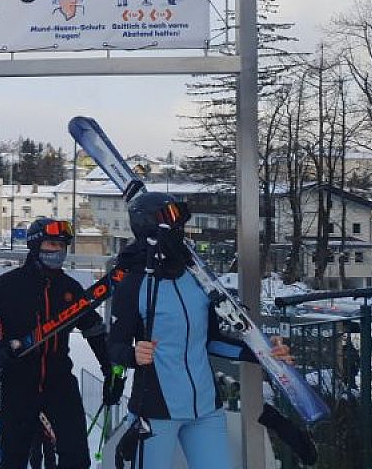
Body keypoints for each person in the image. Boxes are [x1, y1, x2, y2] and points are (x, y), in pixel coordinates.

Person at [109, 192, 293, 469]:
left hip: (206, 408)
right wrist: (134, 353)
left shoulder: (197, 278)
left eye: (179, 222)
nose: (178, 229)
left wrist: (264, 354)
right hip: (156, 410)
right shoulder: (132, 284)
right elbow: (115, 346)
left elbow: (212, 342)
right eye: (170, 221)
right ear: (148, 226)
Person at [0, 217, 121, 469]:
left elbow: (93, 329)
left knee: (76, 458)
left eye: (62, 246)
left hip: (59, 381)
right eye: (52, 244)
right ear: (35, 245)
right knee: (14, 459)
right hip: (18, 381)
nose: (58, 251)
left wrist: (108, 369)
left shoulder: (69, 288)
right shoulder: (10, 284)